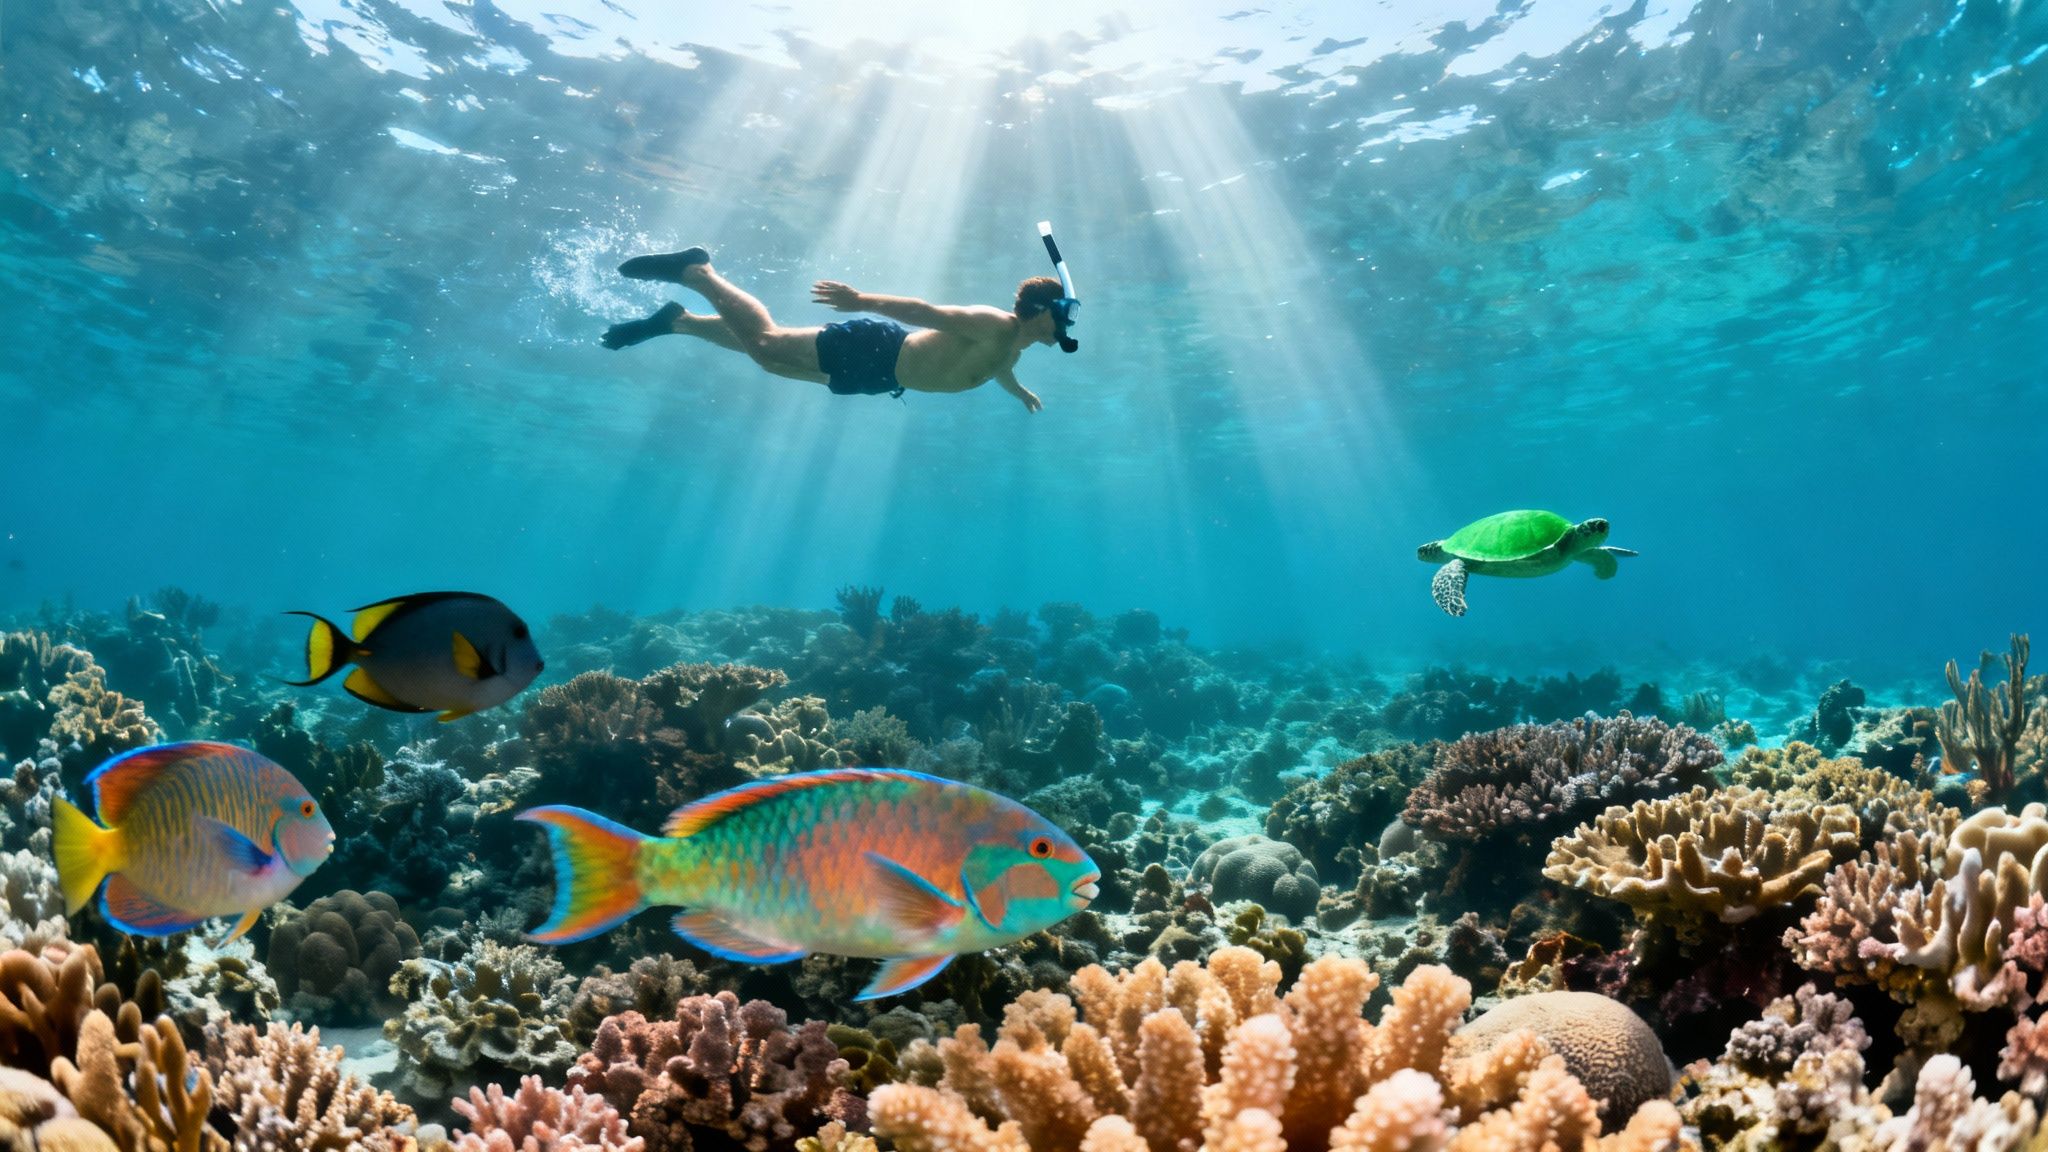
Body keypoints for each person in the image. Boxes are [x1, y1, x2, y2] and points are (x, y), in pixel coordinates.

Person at [600, 247, 1064, 411]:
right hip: (877, 350)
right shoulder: (997, 324)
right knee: (766, 345)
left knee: (774, 357)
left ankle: (679, 323)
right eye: (1062, 313)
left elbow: (998, 371)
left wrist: (1019, 393)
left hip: (881, 377)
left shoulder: (1012, 350)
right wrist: (860, 300)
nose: (1065, 324)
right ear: (1040, 309)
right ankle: (698, 272)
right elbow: (925, 312)